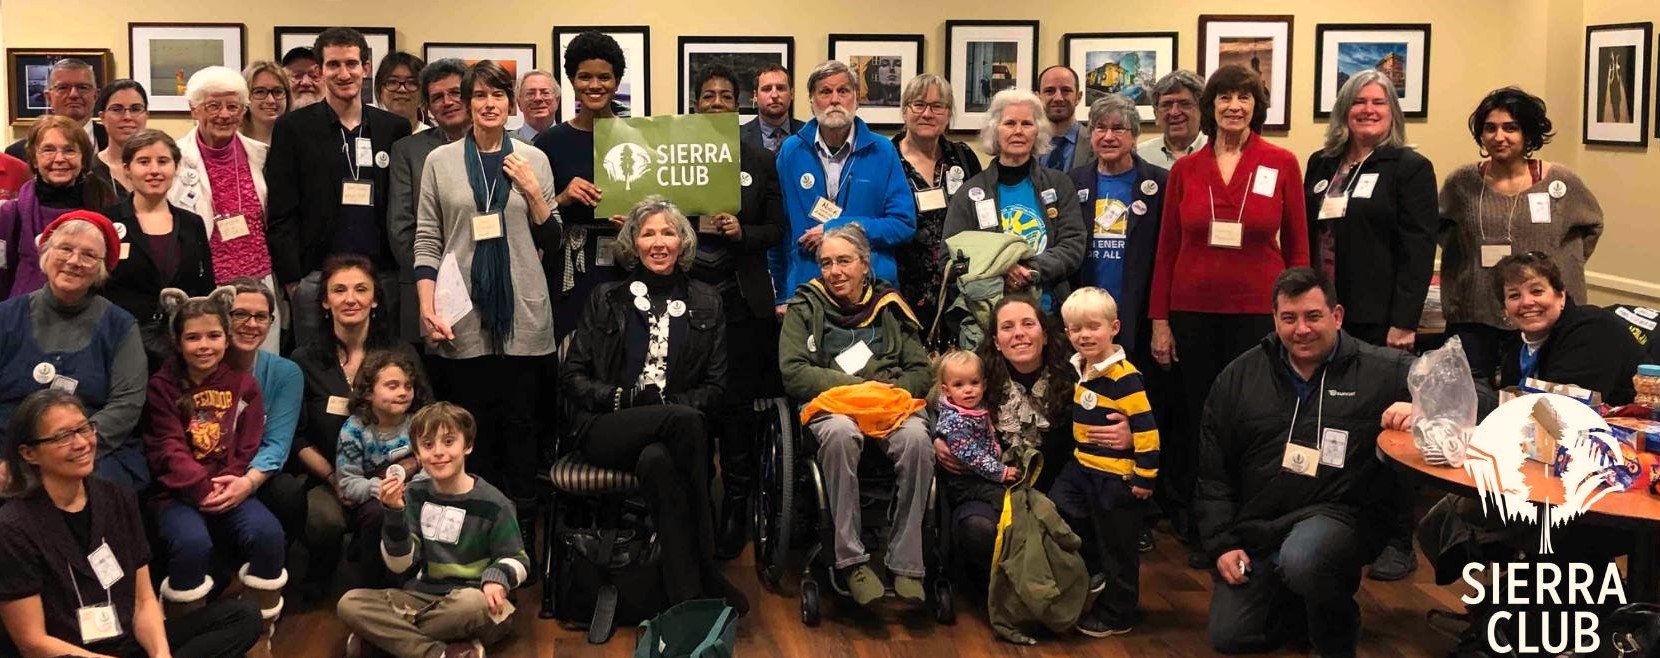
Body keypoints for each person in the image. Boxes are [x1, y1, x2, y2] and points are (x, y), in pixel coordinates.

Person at [1197, 267, 1412, 656]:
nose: (1302, 330)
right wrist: (1221, 544)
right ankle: (1301, 601)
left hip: (1340, 518)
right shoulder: (1238, 377)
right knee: (1231, 636)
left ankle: (1334, 630)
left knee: (1306, 558)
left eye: (1313, 316)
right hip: (1260, 526)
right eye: (1289, 318)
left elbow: (1470, 392)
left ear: (1337, 316)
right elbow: (1214, 473)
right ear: (1275, 319)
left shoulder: (1383, 369)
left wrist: (1425, 408)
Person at [1148, 65, 1308, 567]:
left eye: (1244, 97)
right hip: (1192, 311)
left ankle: (1254, 526)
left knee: (1258, 421)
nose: (1234, 106)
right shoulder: (1185, 170)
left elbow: (1299, 245)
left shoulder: (1281, 162)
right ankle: (1208, 529)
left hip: (1259, 314)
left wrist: (1301, 317)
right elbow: (1167, 250)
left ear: (1256, 106)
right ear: (1209, 106)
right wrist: (1160, 320)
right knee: (1200, 420)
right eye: (1225, 97)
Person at [561, 197, 747, 612]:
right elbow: (573, 377)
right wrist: (623, 397)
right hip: (604, 425)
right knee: (685, 425)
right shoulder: (606, 297)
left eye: (668, 232)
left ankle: (685, 602)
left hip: (671, 433)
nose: (659, 242)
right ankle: (710, 572)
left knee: (658, 461)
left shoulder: (706, 301)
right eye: (648, 234)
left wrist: (668, 406)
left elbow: (716, 387)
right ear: (633, 243)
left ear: (683, 242)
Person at [0, 389, 262, 658]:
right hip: (68, 654)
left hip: (126, 642)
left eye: (84, 429)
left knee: (243, 616)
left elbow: (143, 600)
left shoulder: (117, 498)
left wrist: (161, 653)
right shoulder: (13, 527)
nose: (81, 443)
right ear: (29, 453)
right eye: (63, 436)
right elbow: (32, 642)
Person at [1303, 70, 1439, 584]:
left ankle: (1396, 540)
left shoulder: (1409, 167)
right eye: (1358, 101)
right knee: (1335, 425)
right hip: (1326, 317)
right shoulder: (1322, 164)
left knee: (1386, 429)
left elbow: (1419, 248)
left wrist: (1403, 322)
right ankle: (1339, 524)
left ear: (1392, 110)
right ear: (1343, 109)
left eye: (1378, 102)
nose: (1367, 109)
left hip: (1381, 322)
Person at [414, 59, 558, 541]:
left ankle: (523, 541)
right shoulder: (441, 161)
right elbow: (429, 239)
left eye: (499, 95)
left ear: (510, 103)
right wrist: (426, 305)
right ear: (467, 103)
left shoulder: (534, 159)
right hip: (463, 312)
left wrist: (534, 191)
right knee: (474, 429)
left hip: (523, 309)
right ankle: (476, 535)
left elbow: (552, 239)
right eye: (480, 96)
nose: (489, 104)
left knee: (522, 428)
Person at [779, 224, 932, 606]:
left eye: (845, 261)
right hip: (831, 406)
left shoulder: (891, 306)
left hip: (889, 405)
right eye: (827, 263)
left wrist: (889, 393)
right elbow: (794, 371)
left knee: (917, 439)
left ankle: (906, 563)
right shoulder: (805, 305)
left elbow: (920, 370)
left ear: (865, 264)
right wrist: (854, 387)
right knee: (840, 434)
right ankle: (851, 560)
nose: (835, 271)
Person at [141, 287, 286, 655]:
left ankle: (259, 633)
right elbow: (168, 446)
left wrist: (235, 480)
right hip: (177, 493)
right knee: (191, 543)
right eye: (192, 337)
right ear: (177, 340)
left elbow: (250, 442)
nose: (204, 345)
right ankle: (186, 636)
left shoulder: (244, 384)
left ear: (226, 337)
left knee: (268, 534)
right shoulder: (162, 386)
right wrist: (200, 487)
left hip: (230, 485)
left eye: (213, 335)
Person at [687, 64, 786, 558]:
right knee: (696, 412)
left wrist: (741, 232)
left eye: (727, 96)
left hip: (743, 304)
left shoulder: (760, 160)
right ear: (696, 105)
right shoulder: (675, 157)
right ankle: (697, 510)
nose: (718, 103)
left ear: (738, 105)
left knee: (738, 414)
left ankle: (737, 514)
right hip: (688, 305)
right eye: (709, 96)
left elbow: (777, 230)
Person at [1438, 87, 1603, 382]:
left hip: (1543, 317)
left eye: (1510, 128)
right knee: (1470, 400)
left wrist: (1560, 266)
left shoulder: (1561, 183)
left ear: (1528, 133)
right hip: (1475, 315)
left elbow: (1592, 227)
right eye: (1490, 128)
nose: (1499, 137)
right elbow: (1440, 230)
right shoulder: (1461, 183)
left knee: (1539, 406)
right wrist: (1466, 269)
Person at [336, 403, 527, 658]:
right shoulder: (415, 494)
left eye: (449, 442)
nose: (438, 452)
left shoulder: (494, 503)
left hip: (474, 600)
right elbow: (399, 565)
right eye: (427, 445)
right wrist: (393, 514)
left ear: (467, 446)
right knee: (349, 603)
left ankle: (382, 643)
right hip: (421, 595)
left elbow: (518, 559)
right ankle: (441, 652)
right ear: (417, 454)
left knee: (471, 605)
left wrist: (496, 577)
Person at [265, 27, 413, 350]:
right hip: (316, 276)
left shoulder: (394, 128)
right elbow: (281, 210)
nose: (344, 73)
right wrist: (294, 280)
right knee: (319, 369)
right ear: (319, 71)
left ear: (366, 68)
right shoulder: (293, 128)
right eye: (333, 65)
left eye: (351, 63)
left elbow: (404, 204)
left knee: (382, 368)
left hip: (381, 275)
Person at [288, 255, 422, 593]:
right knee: (323, 520)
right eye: (339, 290)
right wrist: (335, 478)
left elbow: (428, 423)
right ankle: (324, 573)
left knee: (385, 513)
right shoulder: (304, 360)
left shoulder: (400, 353)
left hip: (395, 475)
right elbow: (297, 437)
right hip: (328, 475)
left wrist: (405, 469)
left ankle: (375, 588)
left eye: (361, 289)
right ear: (324, 300)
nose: (351, 299)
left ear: (375, 298)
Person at [0, 210, 148, 490]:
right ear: (46, 252)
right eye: (65, 248)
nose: (74, 261)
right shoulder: (5, 318)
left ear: (101, 268)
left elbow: (126, 404)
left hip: (90, 452)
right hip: (10, 453)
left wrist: (68, 448)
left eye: (89, 255)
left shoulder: (121, 326)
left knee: (102, 492)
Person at [1053, 287, 1157, 637]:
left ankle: (1118, 612)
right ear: (1067, 334)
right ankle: (1094, 568)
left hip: (1117, 476)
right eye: (1076, 329)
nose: (1085, 335)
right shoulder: (1080, 367)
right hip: (1084, 466)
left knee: (1120, 546)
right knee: (1061, 503)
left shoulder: (1125, 376)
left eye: (1093, 327)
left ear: (1114, 328)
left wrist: (1144, 476)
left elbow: (1146, 429)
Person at [773, 60, 916, 312]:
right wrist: (782, 295)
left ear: (856, 99)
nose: (834, 100)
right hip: (808, 288)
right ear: (812, 101)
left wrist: (836, 226)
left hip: (870, 289)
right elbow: (779, 230)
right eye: (825, 92)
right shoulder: (791, 152)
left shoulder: (882, 151)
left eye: (843, 91)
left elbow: (903, 225)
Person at [942, 88, 1086, 311]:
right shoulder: (969, 193)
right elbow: (949, 259)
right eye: (1009, 123)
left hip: (1050, 312)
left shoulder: (1059, 185)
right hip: (989, 317)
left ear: (1038, 131)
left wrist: (1029, 270)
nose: (1018, 131)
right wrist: (1001, 270)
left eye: (1027, 124)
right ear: (995, 131)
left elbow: (1073, 246)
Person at [171, 67, 280, 355]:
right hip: (207, 284)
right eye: (213, 105)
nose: (224, 114)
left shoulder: (260, 154)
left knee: (261, 364)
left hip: (260, 281)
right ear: (194, 109)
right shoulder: (176, 159)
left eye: (233, 106)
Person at [533, 31, 630, 337]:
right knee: (570, 350)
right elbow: (531, 216)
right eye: (584, 76)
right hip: (569, 267)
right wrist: (563, 197)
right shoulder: (548, 143)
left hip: (623, 262)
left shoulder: (638, 135)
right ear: (572, 81)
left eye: (604, 77)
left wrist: (635, 223)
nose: (595, 85)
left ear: (616, 81)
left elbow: (659, 205)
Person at [217, 277, 305, 605]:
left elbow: (277, 444)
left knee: (288, 493)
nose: (251, 324)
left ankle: (267, 574)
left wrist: (246, 483)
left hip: (254, 474)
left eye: (261, 317)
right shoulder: (201, 362)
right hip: (203, 474)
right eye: (240, 314)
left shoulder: (285, 373)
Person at [101, 129, 214, 372]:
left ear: (175, 167)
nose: (154, 170)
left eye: (163, 161)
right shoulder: (106, 222)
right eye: (143, 162)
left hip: (182, 348)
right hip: (121, 345)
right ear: (127, 169)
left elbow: (205, 288)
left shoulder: (192, 223)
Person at [388, 58, 470, 345]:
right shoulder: (408, 151)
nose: (447, 102)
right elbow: (401, 228)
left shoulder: (498, 145)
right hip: (426, 286)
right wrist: (433, 280)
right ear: (428, 107)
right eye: (437, 97)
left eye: (455, 93)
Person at [892, 73, 983, 331]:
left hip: (958, 287)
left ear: (948, 113)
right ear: (905, 111)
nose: (927, 113)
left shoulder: (963, 157)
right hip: (901, 287)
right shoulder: (887, 158)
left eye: (937, 106)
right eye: (918, 104)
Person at [1491, 252, 1644, 405]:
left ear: (1561, 296)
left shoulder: (1593, 330)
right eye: (1514, 296)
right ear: (1505, 308)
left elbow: (1564, 411)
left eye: (1537, 291)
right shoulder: (1516, 346)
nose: (1527, 302)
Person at [0, 116, 119, 299]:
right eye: (48, 150)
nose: (59, 159)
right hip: (23, 316)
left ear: (83, 158)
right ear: (33, 159)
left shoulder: (106, 206)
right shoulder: (9, 214)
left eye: (69, 150)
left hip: (88, 315)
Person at [335, 349, 428, 582]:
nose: (403, 392)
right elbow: (348, 482)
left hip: (414, 494)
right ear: (368, 393)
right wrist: (381, 490)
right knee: (379, 514)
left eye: (408, 386)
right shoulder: (354, 430)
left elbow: (430, 464)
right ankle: (374, 584)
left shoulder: (419, 424)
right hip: (372, 501)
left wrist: (413, 489)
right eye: (392, 386)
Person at [933, 350, 1016, 490]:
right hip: (966, 481)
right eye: (959, 385)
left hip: (985, 472)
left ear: (984, 385)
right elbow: (970, 454)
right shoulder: (954, 420)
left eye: (974, 382)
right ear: (946, 390)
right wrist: (1001, 471)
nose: (968, 390)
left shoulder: (978, 405)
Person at [5, 59, 107, 160]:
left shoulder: (118, 142)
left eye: (83, 87)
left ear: (95, 95)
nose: (73, 94)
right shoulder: (18, 153)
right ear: (49, 97)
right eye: (63, 87)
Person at [1136, 70, 1208, 169]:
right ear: (1156, 115)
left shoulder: (1219, 152)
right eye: (1166, 105)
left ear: (1202, 110)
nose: (1174, 112)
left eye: (1184, 104)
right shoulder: (1140, 156)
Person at [91, 80, 150, 197]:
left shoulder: (161, 168)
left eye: (135, 109)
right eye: (117, 109)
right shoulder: (90, 171)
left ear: (146, 115)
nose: (127, 117)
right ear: (102, 117)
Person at [1037, 65, 1092, 172]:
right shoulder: (1028, 142)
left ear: (1078, 97)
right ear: (1039, 97)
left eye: (1066, 90)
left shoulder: (1095, 143)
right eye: (1049, 91)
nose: (1058, 98)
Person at [740, 64, 805, 153]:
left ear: (792, 94)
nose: (774, 95)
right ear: (755, 96)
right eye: (767, 89)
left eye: (780, 88)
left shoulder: (809, 134)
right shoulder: (739, 137)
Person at [374, 52, 427, 134]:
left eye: (412, 82)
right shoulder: (369, 135)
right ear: (380, 90)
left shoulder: (436, 142)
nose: (402, 89)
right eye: (392, 82)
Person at [242, 61, 291, 145]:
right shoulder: (232, 143)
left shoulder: (301, 141)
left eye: (278, 91)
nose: (271, 100)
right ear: (245, 96)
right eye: (260, 92)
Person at [512, 69, 559, 143]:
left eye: (545, 93)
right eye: (530, 94)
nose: (538, 98)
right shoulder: (505, 145)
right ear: (519, 103)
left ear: (557, 100)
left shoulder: (574, 141)